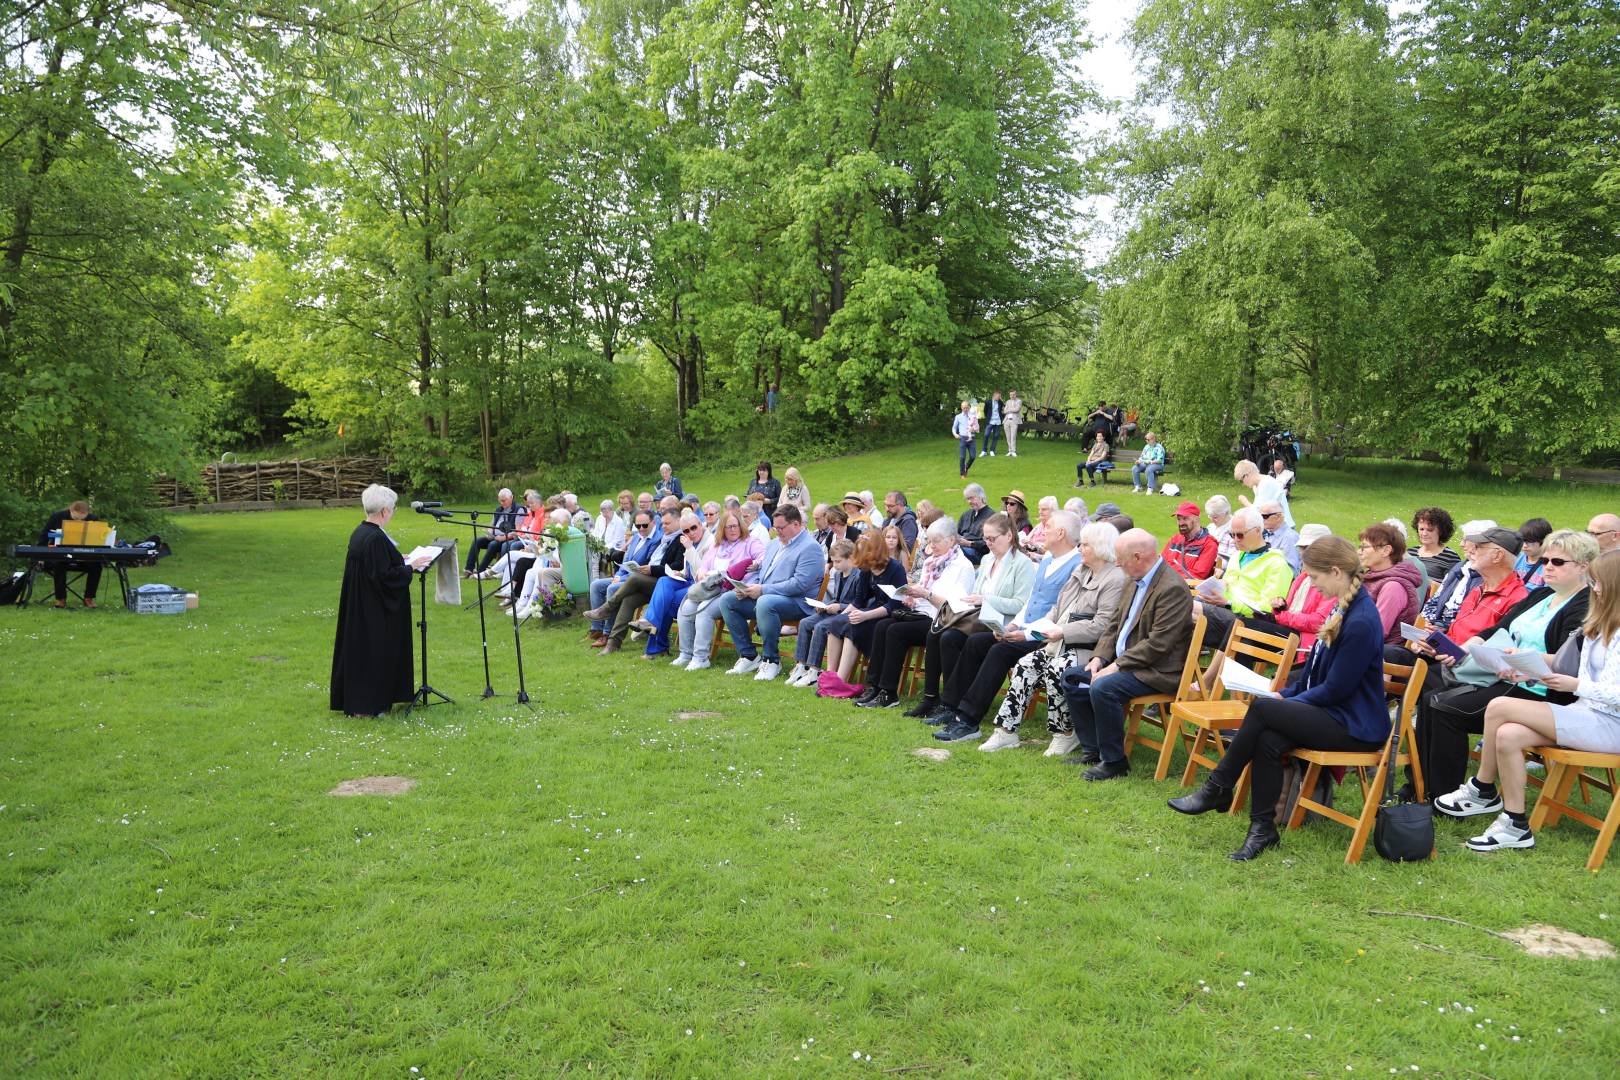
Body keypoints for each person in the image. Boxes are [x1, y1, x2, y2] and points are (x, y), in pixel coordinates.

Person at [1168, 537, 1389, 861]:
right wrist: (1283, 694)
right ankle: (1262, 830)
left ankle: (1217, 787)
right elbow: (1315, 676)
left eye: (1314, 577)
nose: (1312, 585)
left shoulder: (1359, 621)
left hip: (1354, 726)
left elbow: (1336, 690)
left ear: (1336, 572)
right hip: (1335, 712)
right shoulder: (1344, 608)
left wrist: (1281, 703)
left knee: (1263, 710)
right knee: (1269, 737)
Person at [1442, 549, 1620, 853]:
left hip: (1610, 724)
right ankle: (1515, 823)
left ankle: (1482, 789)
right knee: (1508, 733)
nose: (1594, 588)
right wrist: (1531, 677)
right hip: (1587, 713)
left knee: (1499, 706)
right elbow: (1579, 677)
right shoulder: (1598, 623)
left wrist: (1575, 684)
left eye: (1599, 582)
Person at [1416, 529, 1595, 808]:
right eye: (1545, 559)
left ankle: (1441, 795)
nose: (1547, 566)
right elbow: (1498, 627)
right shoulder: (1543, 595)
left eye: (1558, 562)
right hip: (1511, 677)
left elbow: (1568, 661)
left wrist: (1520, 656)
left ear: (1584, 566)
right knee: (1430, 699)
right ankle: (1421, 786)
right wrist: (1467, 647)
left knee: (1445, 708)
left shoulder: (1585, 604)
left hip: (1544, 691)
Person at [921, 510, 1088, 732]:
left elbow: (1061, 613)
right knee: (975, 643)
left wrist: (1024, 632)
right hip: (1023, 628)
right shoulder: (1048, 560)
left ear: (1061, 533)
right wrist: (1013, 625)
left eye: (1047, 527)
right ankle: (951, 706)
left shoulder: (1076, 566)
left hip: (1046, 637)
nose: (1042, 531)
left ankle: (968, 720)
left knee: (998, 651)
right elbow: (1030, 602)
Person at [978, 521, 1127, 753]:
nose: (1080, 548)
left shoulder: (1115, 579)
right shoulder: (1082, 570)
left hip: (1091, 649)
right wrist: (1031, 631)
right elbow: (1057, 608)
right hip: (1061, 642)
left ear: (1100, 548)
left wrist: (1062, 631)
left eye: (1085, 545)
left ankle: (1065, 733)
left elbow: (1103, 625)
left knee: (1057, 668)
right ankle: (1006, 731)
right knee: (1025, 664)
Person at [1063, 528, 1196, 779]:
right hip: (1130, 661)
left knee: (1104, 687)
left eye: (1121, 560)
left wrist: (1116, 666)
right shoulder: (1133, 579)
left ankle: (1115, 762)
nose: (1118, 564)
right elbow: (1115, 624)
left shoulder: (1172, 589)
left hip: (1158, 670)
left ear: (1138, 557)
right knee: (1072, 678)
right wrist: (1099, 658)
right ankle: (1094, 749)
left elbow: (1158, 644)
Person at [919, 513, 1032, 734]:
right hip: (980, 619)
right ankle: (950, 704)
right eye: (986, 539)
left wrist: (986, 600)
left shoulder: (1022, 563)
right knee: (948, 637)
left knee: (970, 642)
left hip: (1003, 624)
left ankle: (959, 705)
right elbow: (977, 593)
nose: (988, 544)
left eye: (992, 538)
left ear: (1009, 535)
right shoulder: (989, 559)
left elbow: (1021, 604)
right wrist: (969, 599)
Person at [854, 518, 976, 709]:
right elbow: (923, 591)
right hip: (921, 613)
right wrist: (912, 597)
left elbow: (953, 606)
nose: (931, 546)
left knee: (895, 631)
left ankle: (889, 692)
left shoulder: (963, 567)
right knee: (882, 625)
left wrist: (925, 594)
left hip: (943, 620)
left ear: (951, 540)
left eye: (936, 541)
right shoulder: (930, 562)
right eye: (929, 540)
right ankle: (875, 686)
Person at [330, 485, 427, 717]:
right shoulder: (374, 538)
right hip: (372, 609)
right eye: (392, 509)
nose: (392, 513)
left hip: (361, 606)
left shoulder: (361, 532)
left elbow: (376, 566)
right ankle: (367, 706)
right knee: (373, 653)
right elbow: (384, 578)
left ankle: (364, 702)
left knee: (363, 652)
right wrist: (410, 566)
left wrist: (399, 560)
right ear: (384, 511)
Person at [719, 505, 827, 681]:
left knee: (765, 603)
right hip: (769, 598)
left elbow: (799, 584)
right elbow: (763, 574)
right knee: (727, 600)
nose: (777, 531)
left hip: (798, 602)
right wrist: (748, 589)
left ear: (796, 524)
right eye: (775, 527)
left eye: (781, 527)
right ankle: (749, 656)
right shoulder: (775, 543)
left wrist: (762, 590)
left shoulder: (810, 548)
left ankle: (772, 660)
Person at [674, 508, 763, 671]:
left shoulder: (751, 541)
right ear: (722, 528)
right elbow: (703, 567)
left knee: (703, 610)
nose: (733, 530)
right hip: (713, 589)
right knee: (686, 607)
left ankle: (701, 657)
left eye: (735, 526)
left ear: (741, 526)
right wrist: (702, 572)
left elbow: (764, 557)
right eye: (728, 527)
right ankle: (686, 654)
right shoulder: (717, 545)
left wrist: (756, 563)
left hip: (736, 591)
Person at [1192, 508, 1295, 647]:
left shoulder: (1277, 564)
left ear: (1258, 531)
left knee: (1182, 608)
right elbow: (1227, 590)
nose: (1235, 540)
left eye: (1240, 535)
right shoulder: (1236, 556)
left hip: (1249, 622)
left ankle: (1173, 663)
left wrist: (1229, 602)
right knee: (1178, 609)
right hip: (1225, 614)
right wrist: (1216, 589)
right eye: (1231, 535)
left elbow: (1267, 609)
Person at [585, 507, 682, 655]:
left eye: (667, 523)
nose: (664, 526)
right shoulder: (666, 538)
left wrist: (652, 569)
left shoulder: (680, 539)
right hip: (651, 581)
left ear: (678, 521)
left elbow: (678, 566)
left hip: (665, 585)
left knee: (634, 578)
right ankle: (613, 643)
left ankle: (606, 609)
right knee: (628, 601)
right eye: (662, 523)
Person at [822, 531, 911, 683]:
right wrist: (843, 614)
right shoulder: (866, 569)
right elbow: (859, 601)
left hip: (893, 613)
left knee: (855, 625)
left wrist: (864, 615)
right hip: (873, 609)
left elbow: (894, 604)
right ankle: (831, 675)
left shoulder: (895, 568)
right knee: (836, 622)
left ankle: (840, 680)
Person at [1242, 524, 1336, 660]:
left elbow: (1320, 622)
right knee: (1243, 633)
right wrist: (1281, 606)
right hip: (1291, 631)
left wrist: (1279, 617)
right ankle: (1230, 680)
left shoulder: (1331, 580)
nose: (1302, 552)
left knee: (1244, 627)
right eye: (1301, 548)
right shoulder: (1303, 576)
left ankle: (1223, 679)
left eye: (1307, 548)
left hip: (1304, 640)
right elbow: (1294, 608)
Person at [627, 510, 713, 658]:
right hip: (688, 580)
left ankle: (655, 643)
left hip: (703, 585)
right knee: (664, 581)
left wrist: (689, 549)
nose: (691, 533)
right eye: (686, 530)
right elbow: (689, 569)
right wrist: (681, 573)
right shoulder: (689, 540)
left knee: (666, 601)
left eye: (693, 528)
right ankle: (651, 626)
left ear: (700, 524)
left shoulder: (710, 542)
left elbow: (701, 571)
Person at [785, 537, 862, 687]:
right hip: (836, 610)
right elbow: (838, 597)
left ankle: (814, 671)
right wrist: (825, 605)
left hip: (847, 614)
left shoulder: (858, 576)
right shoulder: (839, 574)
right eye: (833, 561)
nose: (835, 565)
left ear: (850, 558)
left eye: (838, 561)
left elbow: (859, 603)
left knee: (821, 627)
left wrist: (838, 606)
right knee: (805, 623)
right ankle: (801, 666)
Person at [1358, 522, 1422, 643]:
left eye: (1364, 547)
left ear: (1386, 550)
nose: (1359, 552)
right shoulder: (1372, 577)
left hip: (1380, 652)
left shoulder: (1393, 587)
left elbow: (1376, 631)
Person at [37, 499, 103, 607]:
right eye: (76, 518)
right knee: (59, 564)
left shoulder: (93, 519)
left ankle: (89, 598)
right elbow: (45, 535)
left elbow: (98, 539)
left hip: (84, 554)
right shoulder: (57, 517)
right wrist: (40, 554)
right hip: (62, 553)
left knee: (96, 565)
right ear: (71, 510)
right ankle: (60, 598)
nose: (78, 521)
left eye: (82, 519)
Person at [462, 488, 520, 577]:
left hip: (506, 538)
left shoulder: (518, 510)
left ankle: (480, 572)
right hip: (495, 537)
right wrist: (489, 532)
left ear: (511, 498)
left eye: (504, 500)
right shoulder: (498, 510)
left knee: (492, 545)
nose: (502, 503)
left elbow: (518, 531)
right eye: (501, 501)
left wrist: (503, 537)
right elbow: (492, 525)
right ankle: (469, 569)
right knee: (477, 541)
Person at [1162, 500, 1218, 581]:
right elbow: (1160, 564)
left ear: (1196, 519)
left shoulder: (1209, 545)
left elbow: (1196, 576)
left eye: (1185, 518)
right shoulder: (1175, 539)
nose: (1181, 523)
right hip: (1166, 585)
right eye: (1178, 519)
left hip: (1185, 590)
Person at [1234, 459, 1293, 529]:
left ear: (1247, 475)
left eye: (1241, 481)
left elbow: (1258, 512)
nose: (1243, 484)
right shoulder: (1259, 484)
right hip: (1276, 527)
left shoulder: (1266, 483)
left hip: (1284, 528)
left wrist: (1245, 501)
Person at [1411, 507, 1461, 580]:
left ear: (1441, 531)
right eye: (1421, 529)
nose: (1424, 533)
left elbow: (1451, 587)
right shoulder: (1410, 553)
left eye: (1430, 530)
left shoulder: (1450, 558)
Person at [955, 484, 993, 565]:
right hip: (961, 548)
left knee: (956, 551)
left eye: (972, 498)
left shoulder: (992, 517)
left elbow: (989, 543)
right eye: (967, 499)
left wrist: (969, 544)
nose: (969, 501)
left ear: (981, 497)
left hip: (978, 553)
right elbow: (957, 533)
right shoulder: (966, 515)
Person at [1260, 502, 1301, 574]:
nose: (1261, 519)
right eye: (1260, 516)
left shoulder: (1289, 538)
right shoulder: (1266, 534)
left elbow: (1291, 570)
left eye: (1265, 516)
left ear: (1278, 517)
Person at [1514, 517, 1552, 588]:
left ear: (1544, 541)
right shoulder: (1516, 558)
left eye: (1530, 541)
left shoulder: (1550, 565)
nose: (1525, 545)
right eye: (1523, 540)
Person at [1206, 494, 1236, 564]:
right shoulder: (1210, 527)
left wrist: (1218, 567)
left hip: (1219, 567)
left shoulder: (1234, 530)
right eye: (1210, 516)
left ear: (1227, 513)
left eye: (1215, 517)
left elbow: (1231, 559)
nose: (1212, 520)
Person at [952, 400, 977, 479]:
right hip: (962, 438)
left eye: (967, 407)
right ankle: (962, 474)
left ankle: (966, 466)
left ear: (969, 407)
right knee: (962, 457)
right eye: (964, 408)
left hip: (972, 438)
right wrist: (955, 434)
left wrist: (974, 428)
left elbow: (977, 427)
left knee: (973, 456)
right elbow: (954, 428)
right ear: (961, 408)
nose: (965, 409)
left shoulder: (973, 416)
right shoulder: (958, 417)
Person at [981, 391, 1005, 456]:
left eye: (1000, 396)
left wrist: (1002, 400)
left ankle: (992, 450)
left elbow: (1005, 408)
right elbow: (985, 411)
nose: (999, 397)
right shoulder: (988, 402)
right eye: (998, 396)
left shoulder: (1000, 402)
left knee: (996, 436)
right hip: (990, 421)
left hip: (998, 421)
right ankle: (984, 451)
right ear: (994, 396)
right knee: (986, 435)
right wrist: (988, 417)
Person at [1003, 390, 1022, 458]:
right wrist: (1010, 409)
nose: (1012, 396)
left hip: (1014, 421)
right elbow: (1004, 411)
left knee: (1013, 436)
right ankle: (1010, 451)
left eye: (1013, 394)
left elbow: (1017, 409)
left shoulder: (1019, 401)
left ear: (1016, 394)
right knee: (1008, 437)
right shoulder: (1008, 401)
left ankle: (1013, 451)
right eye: (1011, 395)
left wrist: (1009, 409)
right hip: (1006, 420)